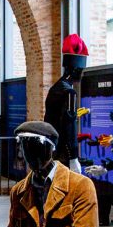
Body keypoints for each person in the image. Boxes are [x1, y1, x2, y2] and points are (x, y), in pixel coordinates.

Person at [44, 33, 88, 173]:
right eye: (81, 70)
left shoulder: (54, 88)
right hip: (64, 154)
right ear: (75, 69)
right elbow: (70, 126)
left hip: (52, 148)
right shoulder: (69, 93)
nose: (82, 74)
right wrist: (73, 157)